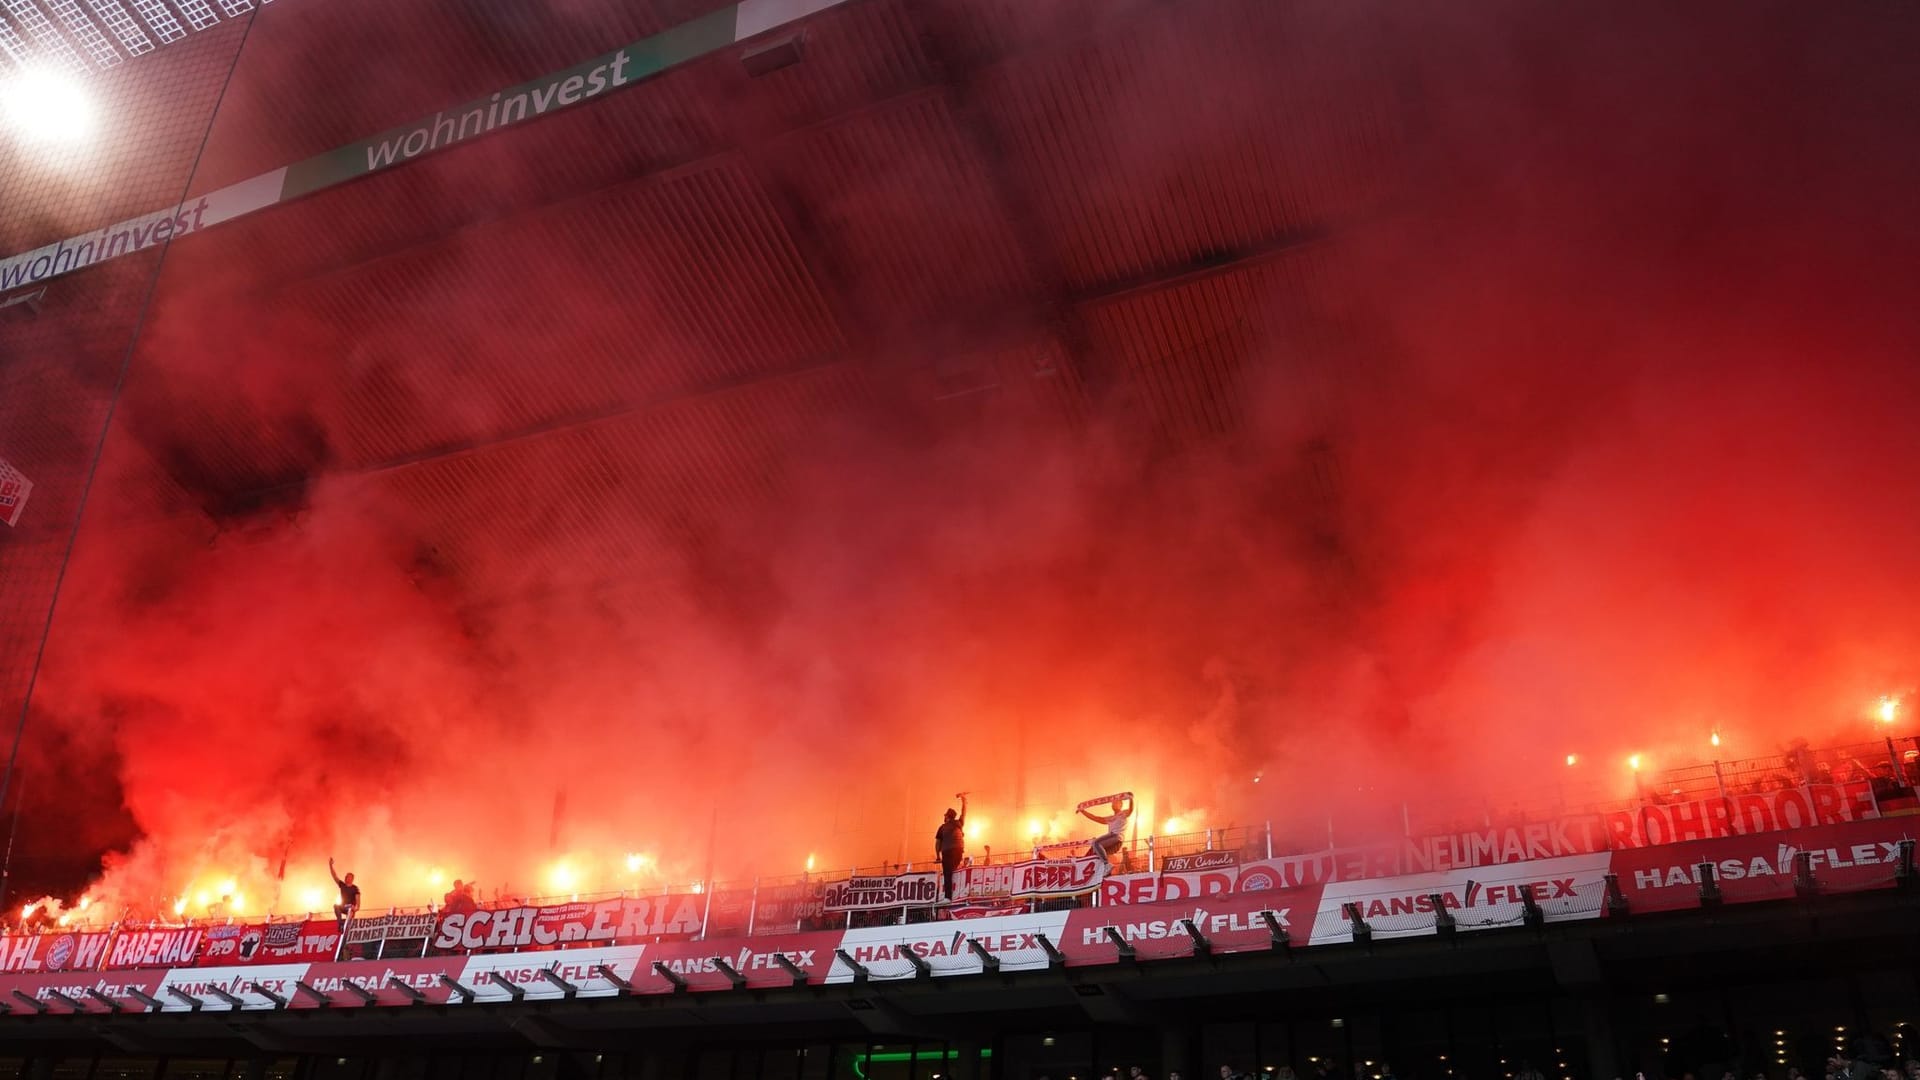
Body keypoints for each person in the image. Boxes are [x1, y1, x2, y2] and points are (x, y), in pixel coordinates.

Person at [1079, 792, 1134, 862]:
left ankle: (1106, 864)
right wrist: (1083, 811)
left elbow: (1131, 809)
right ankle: (1086, 861)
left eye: (1115, 803)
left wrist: (1131, 799)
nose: (1113, 804)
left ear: (1120, 805)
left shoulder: (1123, 813)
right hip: (1111, 840)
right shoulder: (1110, 818)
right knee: (1095, 850)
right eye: (1112, 803)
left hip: (1117, 837)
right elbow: (1095, 818)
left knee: (1096, 843)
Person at [935, 793, 969, 901]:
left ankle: (948, 897)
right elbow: (964, 813)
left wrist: (937, 856)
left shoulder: (942, 827)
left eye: (945, 815)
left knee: (948, 874)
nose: (944, 817)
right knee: (956, 870)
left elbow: (937, 843)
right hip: (959, 850)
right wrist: (964, 801)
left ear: (947, 816)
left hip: (947, 852)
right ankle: (960, 894)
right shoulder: (959, 823)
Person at [329, 857, 360, 928]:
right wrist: (330, 865)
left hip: (350, 908)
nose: (346, 878)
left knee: (349, 909)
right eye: (346, 876)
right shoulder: (342, 885)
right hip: (343, 906)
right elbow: (334, 876)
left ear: (351, 879)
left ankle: (347, 924)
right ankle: (340, 924)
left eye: (348, 877)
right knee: (336, 906)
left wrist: (355, 909)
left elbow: (358, 904)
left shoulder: (355, 888)